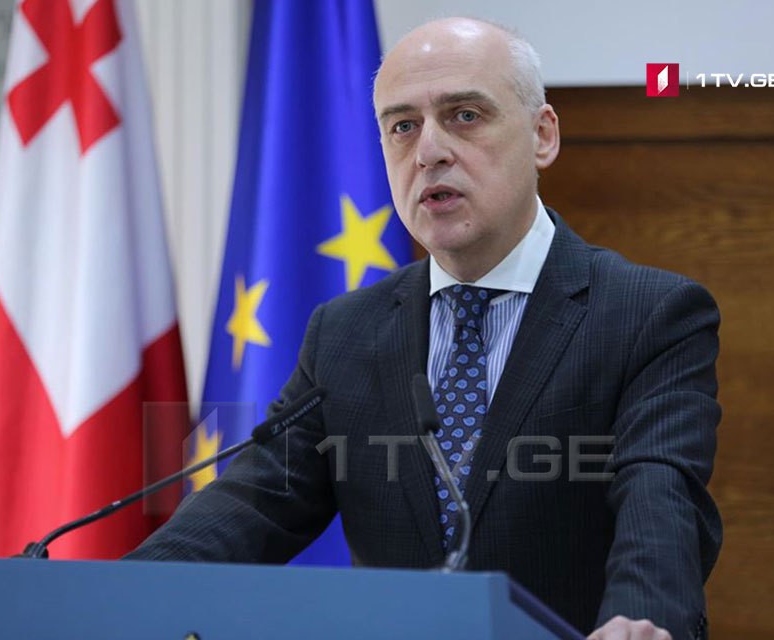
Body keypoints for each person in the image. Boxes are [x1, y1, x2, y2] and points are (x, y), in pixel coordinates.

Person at [127, 17, 721, 640]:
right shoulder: (344, 332)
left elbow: (662, 501)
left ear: (542, 135)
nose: (429, 151)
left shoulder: (649, 314)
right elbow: (253, 503)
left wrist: (640, 618)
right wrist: (114, 596)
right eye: (403, 126)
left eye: (465, 115)